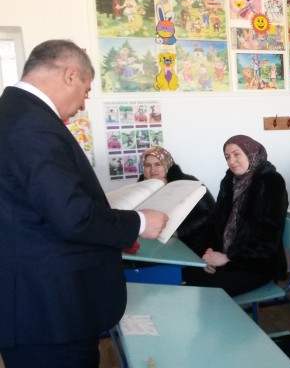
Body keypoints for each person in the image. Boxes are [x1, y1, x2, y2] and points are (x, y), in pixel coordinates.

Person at [0, 39, 167, 368]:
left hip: (35, 303)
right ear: (70, 75)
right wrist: (140, 222)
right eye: (87, 90)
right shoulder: (31, 124)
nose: (83, 103)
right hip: (49, 311)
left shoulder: (14, 112)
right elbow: (72, 216)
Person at [183, 135, 288, 297]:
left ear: (251, 153)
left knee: (206, 288)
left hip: (257, 264)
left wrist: (228, 257)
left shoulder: (271, 182)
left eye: (236, 154)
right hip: (226, 255)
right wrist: (209, 253)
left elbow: (267, 238)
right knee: (188, 273)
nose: (231, 161)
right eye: (227, 157)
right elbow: (214, 223)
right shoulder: (229, 181)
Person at [138, 146, 215, 255]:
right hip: (153, 245)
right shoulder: (140, 188)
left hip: (190, 244)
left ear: (167, 164)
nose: (153, 170)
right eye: (147, 165)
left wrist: (179, 231)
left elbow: (210, 212)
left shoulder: (188, 183)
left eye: (158, 164)